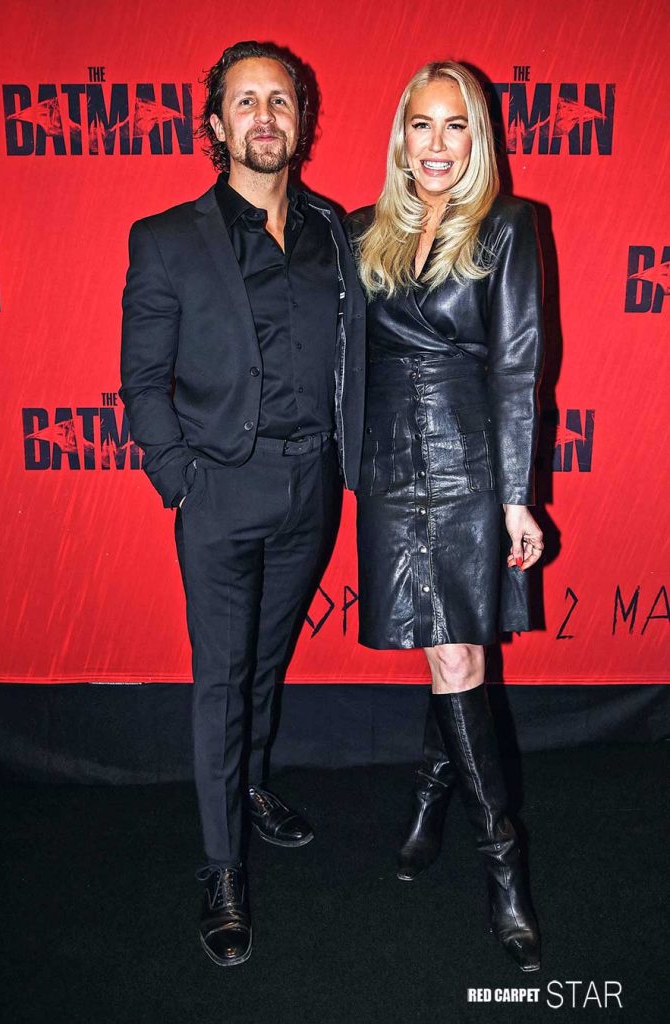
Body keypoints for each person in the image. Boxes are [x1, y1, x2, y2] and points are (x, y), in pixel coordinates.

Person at [120, 40, 365, 967]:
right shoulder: (166, 238)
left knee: (266, 661)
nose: (265, 116)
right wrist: (180, 478)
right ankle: (223, 869)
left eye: (280, 100)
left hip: (312, 487)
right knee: (221, 679)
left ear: (301, 121)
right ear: (217, 124)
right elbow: (141, 380)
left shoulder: (335, 230)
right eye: (246, 101)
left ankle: (252, 783)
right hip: (221, 489)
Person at [345, 60, 545, 972]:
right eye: (420, 124)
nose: (436, 143)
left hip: (466, 458)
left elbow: (516, 365)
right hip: (389, 462)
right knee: (442, 646)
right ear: (401, 137)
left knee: (459, 653)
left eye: (454, 124)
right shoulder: (364, 232)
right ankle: (432, 792)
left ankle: (503, 864)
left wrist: (515, 497)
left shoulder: (506, 226)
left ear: (477, 138)